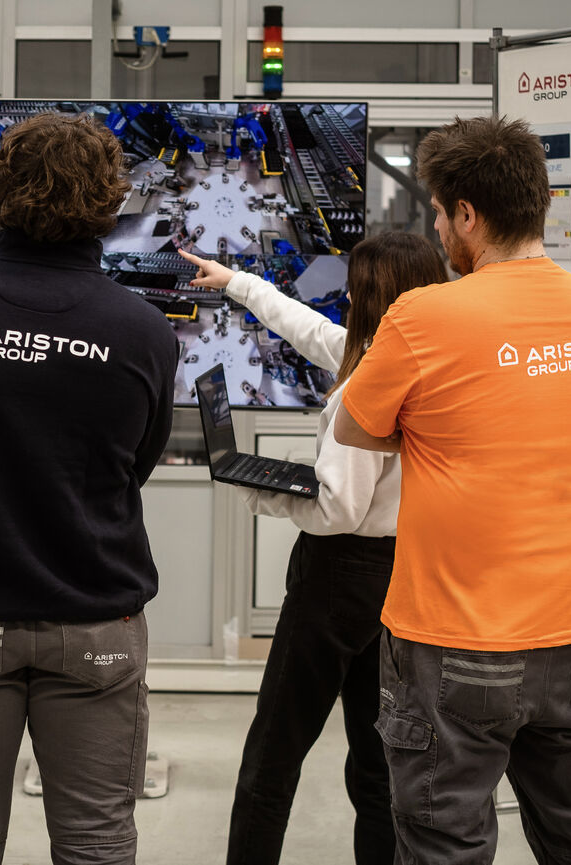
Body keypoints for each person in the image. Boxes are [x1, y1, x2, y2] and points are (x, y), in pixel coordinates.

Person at [0, 112, 179, 865]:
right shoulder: (143, 330)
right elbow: (134, 466)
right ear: (108, 202)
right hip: (94, 623)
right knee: (96, 841)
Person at [333, 115, 571, 864]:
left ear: (468, 214)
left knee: (443, 844)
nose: (435, 226)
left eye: (436, 210)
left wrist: (435, 432)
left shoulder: (424, 315)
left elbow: (357, 430)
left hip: (455, 636)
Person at [179, 233, 446, 865]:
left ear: (377, 297)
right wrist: (236, 283)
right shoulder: (419, 365)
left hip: (336, 579)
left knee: (272, 756)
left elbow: (338, 508)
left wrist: (259, 490)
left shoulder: (364, 387)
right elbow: (312, 333)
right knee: (376, 762)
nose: (347, 294)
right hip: (396, 576)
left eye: (357, 285)